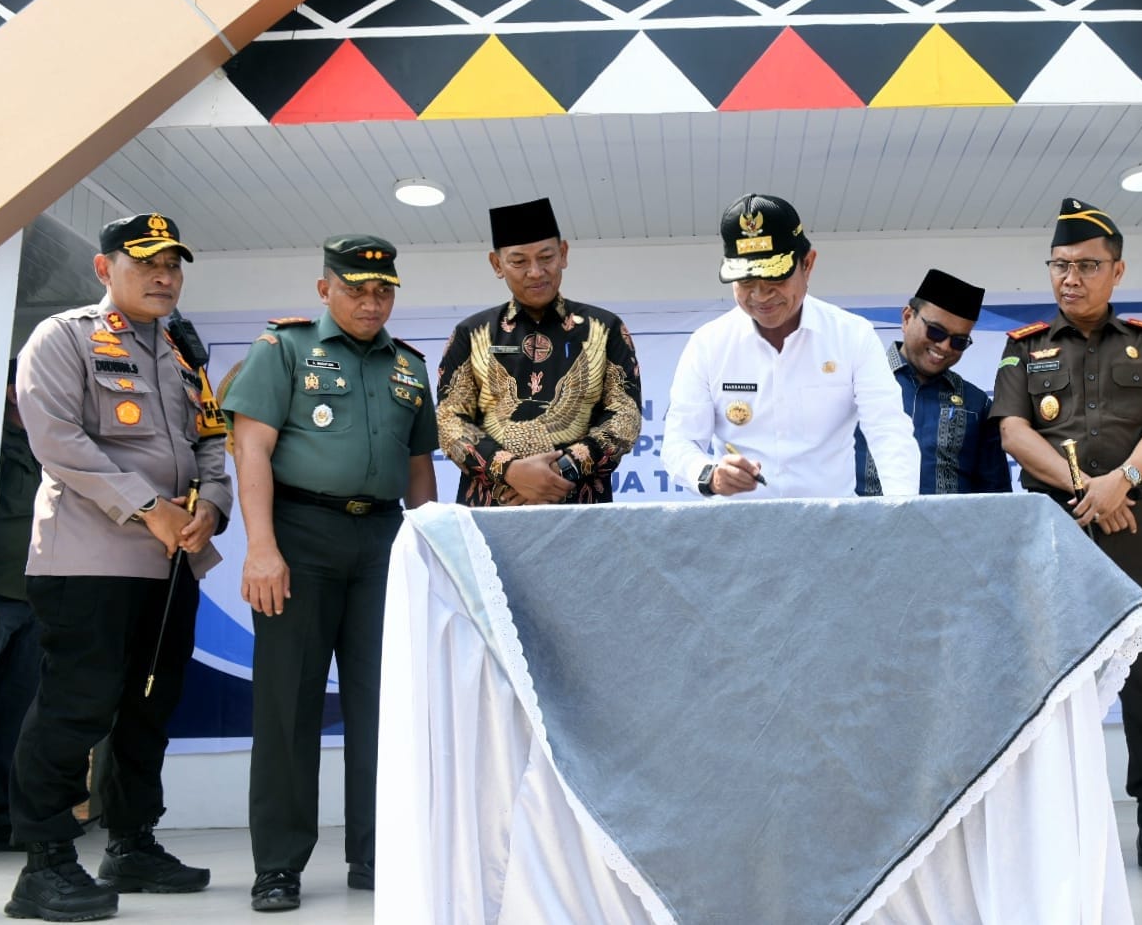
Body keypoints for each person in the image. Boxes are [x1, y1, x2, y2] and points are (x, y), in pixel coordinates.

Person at [7, 213, 231, 920]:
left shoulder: (182, 349)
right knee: (79, 706)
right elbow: (58, 440)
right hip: (89, 560)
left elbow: (211, 444)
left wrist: (212, 509)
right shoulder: (64, 337)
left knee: (149, 709)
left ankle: (132, 842)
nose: (165, 276)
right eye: (147, 264)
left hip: (171, 565)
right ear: (105, 270)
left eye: (173, 264)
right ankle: (43, 862)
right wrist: (147, 508)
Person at [222, 236, 439, 912]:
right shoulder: (283, 349)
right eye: (355, 288)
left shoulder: (409, 365)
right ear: (325, 289)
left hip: (382, 541)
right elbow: (250, 446)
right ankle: (279, 864)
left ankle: (378, 853)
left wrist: (431, 551)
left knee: (386, 706)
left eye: (383, 290)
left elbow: (418, 468)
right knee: (288, 704)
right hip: (299, 536)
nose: (371, 301)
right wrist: (261, 547)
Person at [988, 197, 1142, 880]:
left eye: (1085, 265)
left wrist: (1122, 481)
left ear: (1116, 270)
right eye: (1059, 265)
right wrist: (1087, 490)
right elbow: (1015, 433)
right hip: (1054, 526)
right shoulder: (1022, 348)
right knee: (1049, 677)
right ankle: (1053, 825)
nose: (1070, 278)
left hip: (1136, 523)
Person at [663, 193, 920, 499]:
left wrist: (903, 513)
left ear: (807, 264)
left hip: (832, 531)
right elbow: (679, 443)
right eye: (746, 282)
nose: (760, 296)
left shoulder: (853, 336)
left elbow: (889, 431)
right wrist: (710, 475)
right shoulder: (708, 345)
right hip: (737, 533)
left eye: (775, 280)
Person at [435, 198, 641, 506]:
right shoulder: (471, 333)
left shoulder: (605, 328)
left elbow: (624, 417)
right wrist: (510, 471)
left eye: (546, 257)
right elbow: (451, 421)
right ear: (496, 264)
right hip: (491, 509)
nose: (535, 272)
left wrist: (560, 472)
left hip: (578, 510)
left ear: (564, 254)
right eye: (519, 262)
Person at [855, 269, 1011, 495]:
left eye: (959, 341)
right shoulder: (858, 384)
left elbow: (996, 495)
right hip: (863, 527)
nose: (945, 347)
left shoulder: (975, 403)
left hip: (950, 530)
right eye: (936, 332)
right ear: (908, 317)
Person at [0, 360, 42, 853]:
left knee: (17, 717)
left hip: (35, 597)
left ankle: (2, 819)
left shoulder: (50, 445)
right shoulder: (1, 447)